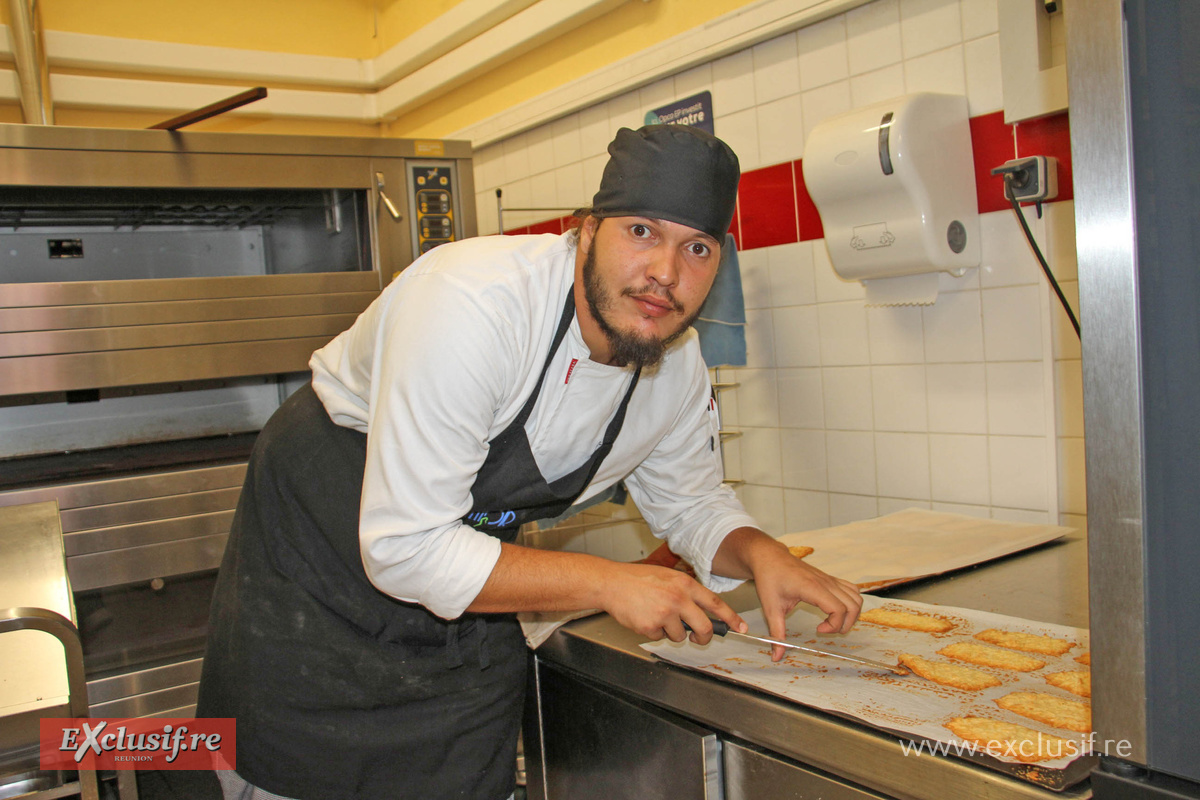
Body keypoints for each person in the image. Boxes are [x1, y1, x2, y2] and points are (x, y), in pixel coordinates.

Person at [197, 124, 862, 800]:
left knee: (465, 772)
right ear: (587, 230)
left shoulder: (676, 365)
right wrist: (609, 583)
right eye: (641, 233)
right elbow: (405, 545)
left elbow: (692, 504)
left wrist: (760, 554)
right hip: (324, 563)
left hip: (467, 583)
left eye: (696, 248)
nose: (666, 272)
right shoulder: (473, 306)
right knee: (301, 771)